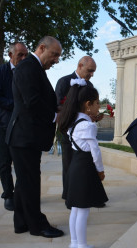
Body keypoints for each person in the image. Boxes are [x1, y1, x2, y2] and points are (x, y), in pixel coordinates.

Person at [5, 36, 63, 238]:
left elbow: (40, 99)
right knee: (30, 182)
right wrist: (56, 114)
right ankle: (38, 226)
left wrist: (56, 107)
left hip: (25, 136)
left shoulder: (34, 68)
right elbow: (32, 102)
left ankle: (21, 223)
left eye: (58, 56)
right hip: (23, 137)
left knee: (24, 182)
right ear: (41, 48)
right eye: (54, 54)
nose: (56, 60)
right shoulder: (28, 67)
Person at [58, 82, 108, 248]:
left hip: (75, 166)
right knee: (83, 210)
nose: (98, 107)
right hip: (85, 169)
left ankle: (75, 243)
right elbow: (95, 150)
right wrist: (100, 170)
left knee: (76, 209)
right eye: (97, 103)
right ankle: (81, 246)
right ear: (88, 105)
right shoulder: (88, 125)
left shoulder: (74, 122)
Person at [55, 56, 104, 203]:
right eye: (90, 70)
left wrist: (92, 116)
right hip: (68, 131)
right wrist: (78, 115)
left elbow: (88, 107)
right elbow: (57, 105)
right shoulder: (64, 81)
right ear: (80, 65)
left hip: (84, 131)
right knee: (69, 163)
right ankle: (69, 196)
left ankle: (88, 195)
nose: (91, 74)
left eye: (93, 72)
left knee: (85, 165)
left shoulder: (89, 85)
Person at [0, 42, 28, 211]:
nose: (24, 58)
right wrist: (15, 104)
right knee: (5, 161)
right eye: (20, 55)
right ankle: (8, 194)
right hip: (4, 124)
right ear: (10, 55)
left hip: (23, 124)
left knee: (23, 162)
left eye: (26, 55)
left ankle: (22, 193)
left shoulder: (27, 73)